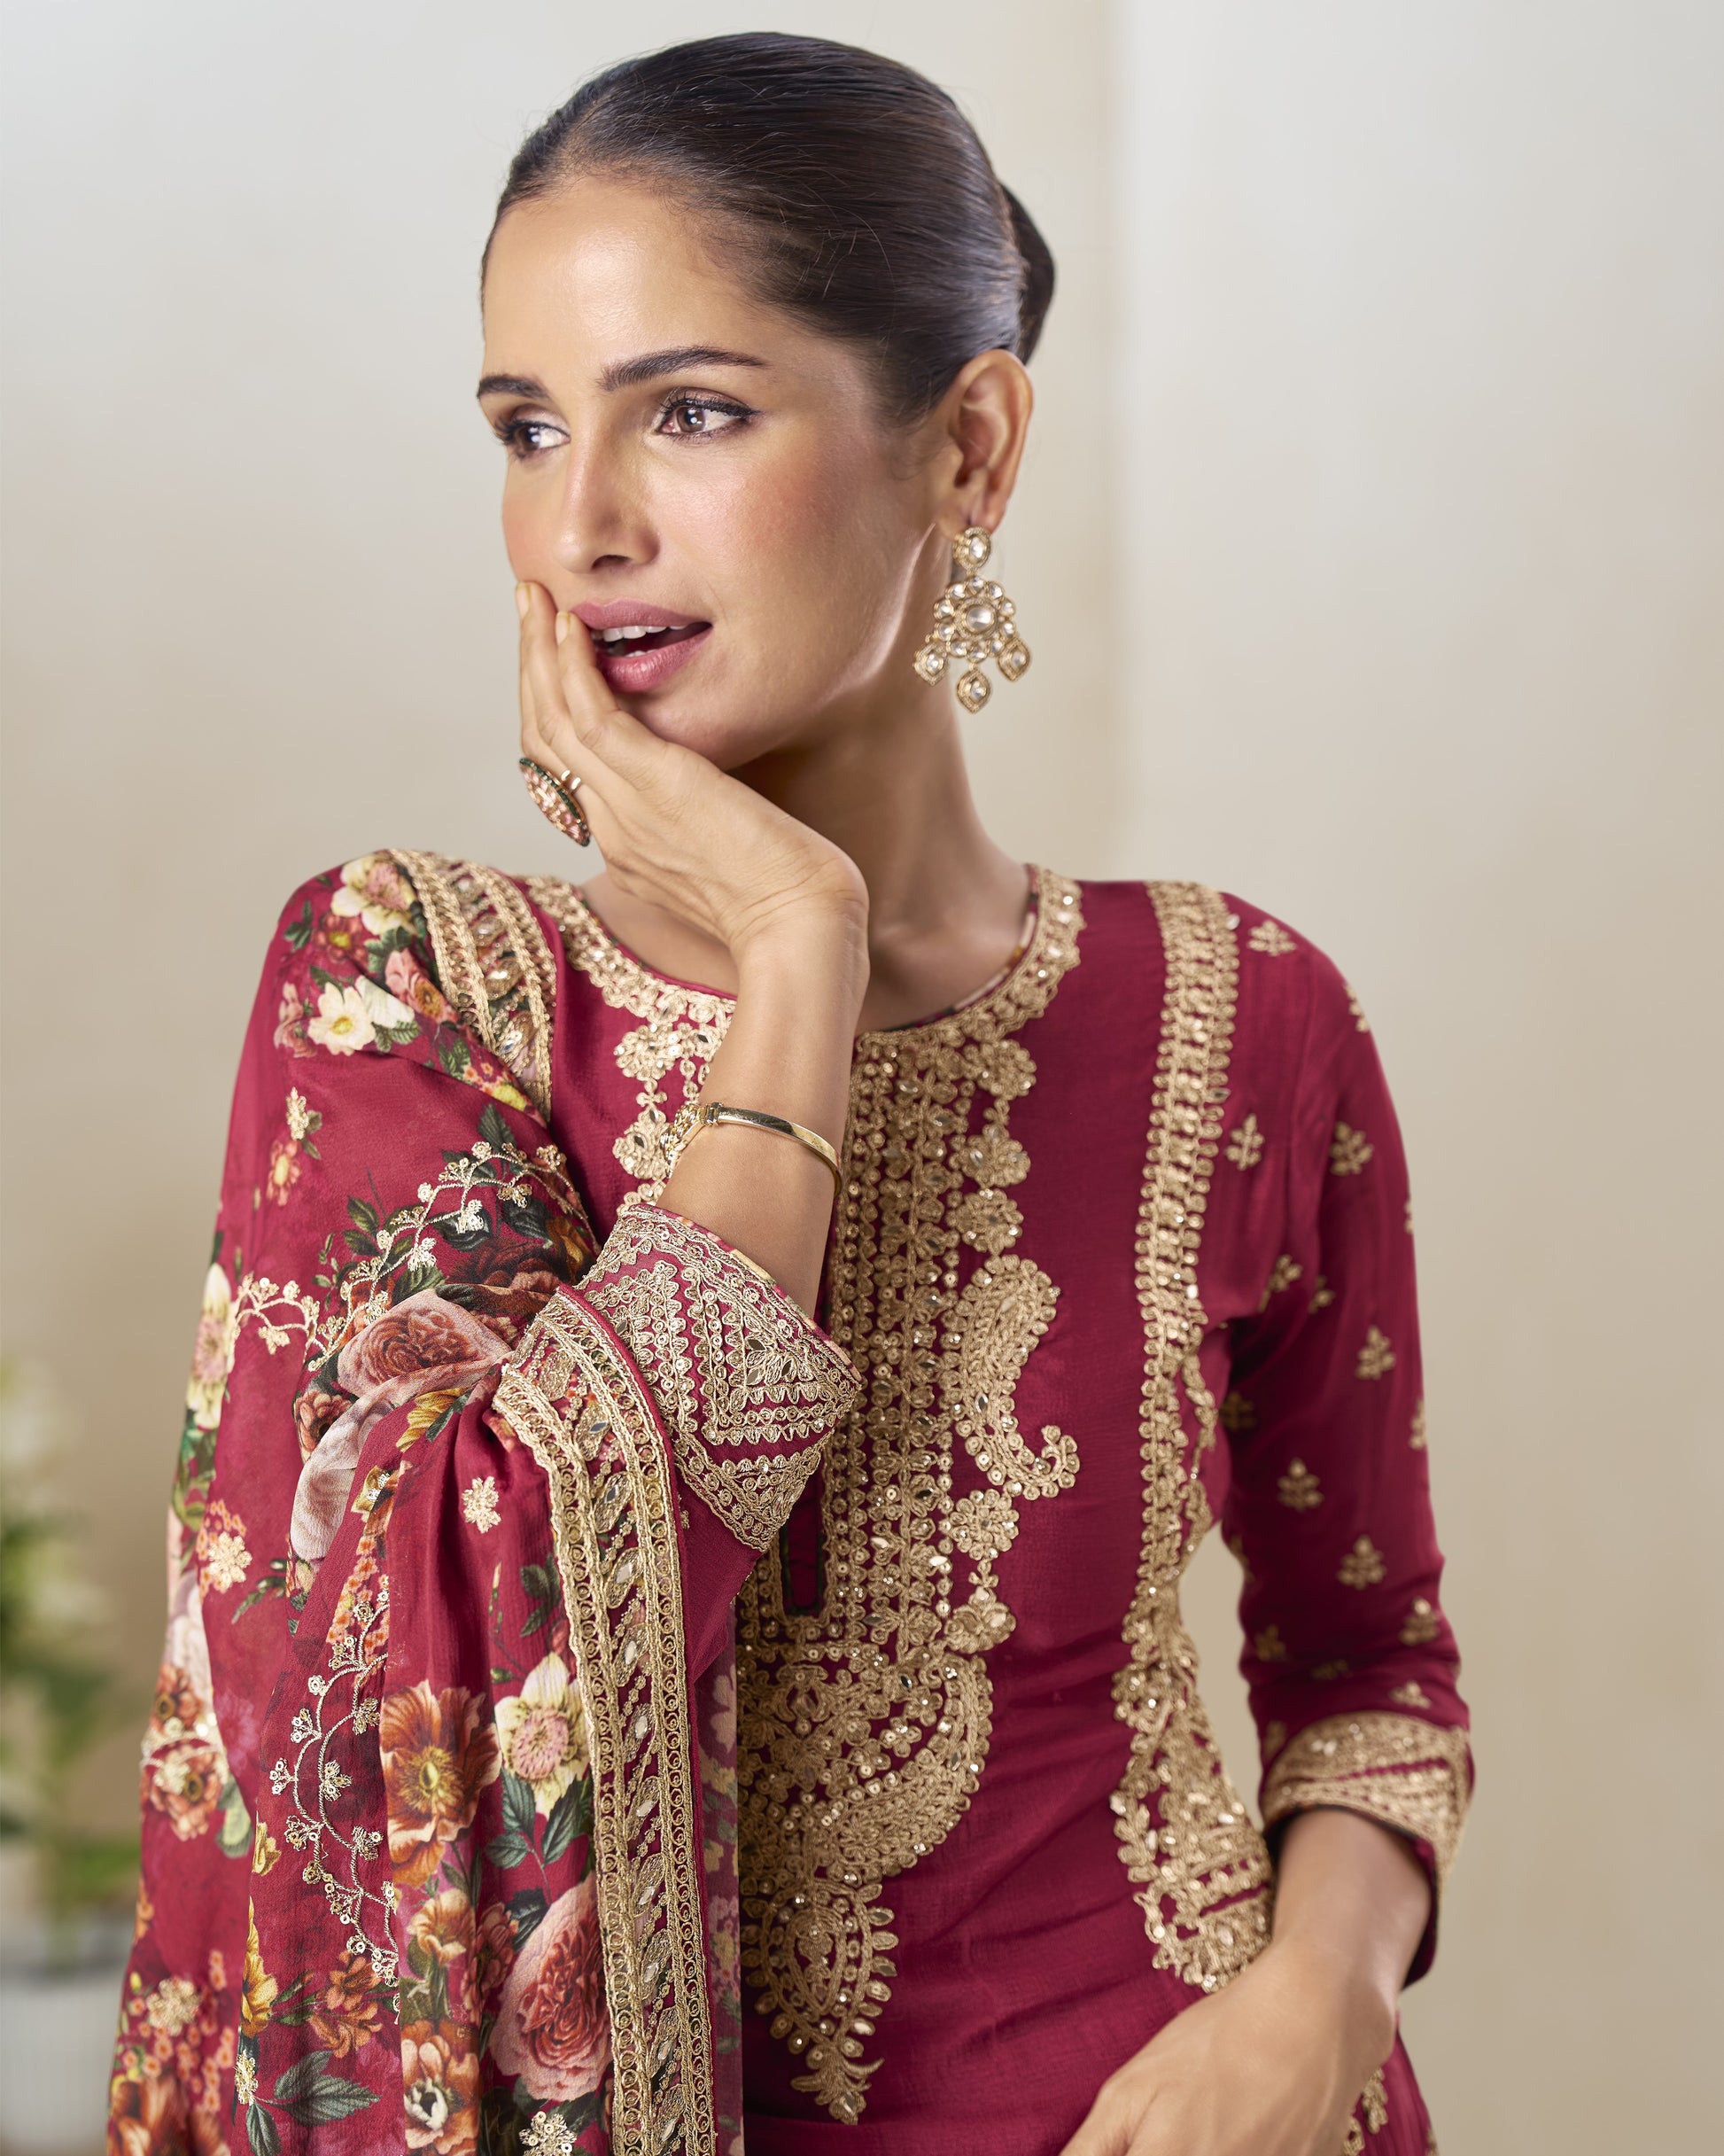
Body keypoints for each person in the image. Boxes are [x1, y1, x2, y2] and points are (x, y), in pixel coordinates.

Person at [109, 33, 1470, 2156]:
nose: (583, 524)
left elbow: (1369, 1652)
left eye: (695, 411)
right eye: (526, 426)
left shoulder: (1245, 1009)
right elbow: (507, 1640)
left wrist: (1313, 1998)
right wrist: (796, 955)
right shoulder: (406, 989)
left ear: (970, 448)